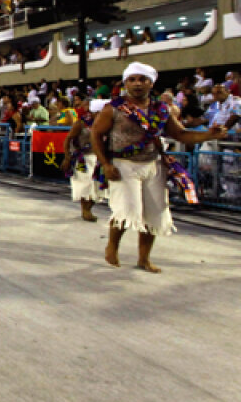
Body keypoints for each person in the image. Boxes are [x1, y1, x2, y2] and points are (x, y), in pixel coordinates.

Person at [90, 62, 226, 272]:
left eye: (142, 79)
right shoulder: (113, 108)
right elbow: (96, 134)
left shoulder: (161, 109)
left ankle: (144, 259)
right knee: (126, 211)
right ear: (125, 83)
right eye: (132, 80)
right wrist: (106, 164)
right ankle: (112, 246)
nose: (137, 84)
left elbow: (180, 134)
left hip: (154, 165)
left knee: (154, 213)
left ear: (151, 83)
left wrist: (208, 135)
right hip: (123, 165)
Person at [62, 98, 108, 222]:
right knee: (85, 184)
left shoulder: (105, 124)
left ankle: (89, 208)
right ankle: (85, 210)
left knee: (97, 185)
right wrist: (67, 157)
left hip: (99, 158)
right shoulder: (80, 123)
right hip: (83, 158)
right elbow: (68, 139)